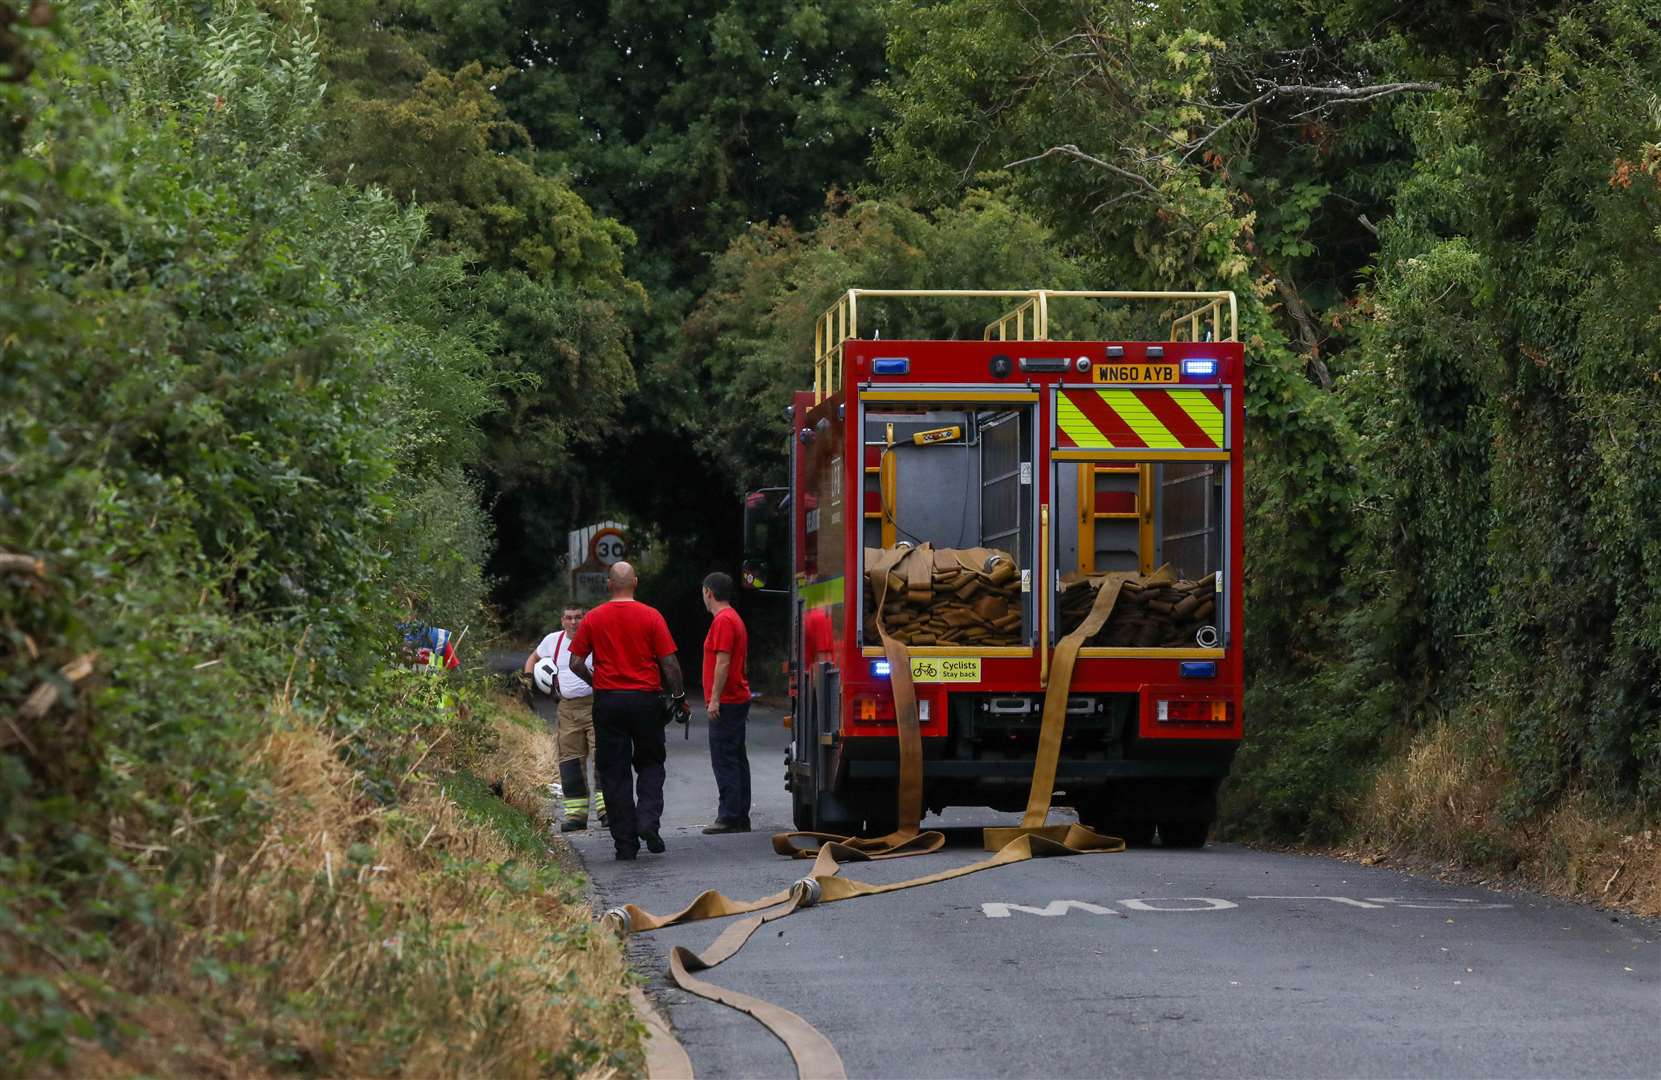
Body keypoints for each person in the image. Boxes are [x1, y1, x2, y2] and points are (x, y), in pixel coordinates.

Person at [568, 562, 688, 860]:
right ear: (634, 582)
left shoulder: (593, 618)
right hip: (646, 701)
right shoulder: (651, 616)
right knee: (650, 763)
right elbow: (670, 664)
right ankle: (647, 821)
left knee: (614, 772)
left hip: (608, 702)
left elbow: (575, 663)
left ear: (609, 584)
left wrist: (597, 682)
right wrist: (679, 696)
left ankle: (625, 843)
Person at [524, 605, 606, 831]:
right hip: (567, 709)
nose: (573, 622)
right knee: (570, 762)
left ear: (585, 619)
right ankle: (576, 816)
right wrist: (527, 680)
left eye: (578, 618)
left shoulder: (596, 639)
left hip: (595, 705)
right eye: (569, 618)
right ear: (562, 621)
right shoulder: (552, 641)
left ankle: (607, 810)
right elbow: (533, 658)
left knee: (603, 758)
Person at [700, 571, 752, 833]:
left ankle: (730, 815)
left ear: (709, 592)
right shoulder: (733, 619)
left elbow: (723, 661)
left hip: (728, 699)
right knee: (736, 756)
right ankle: (740, 814)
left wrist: (715, 700)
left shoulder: (723, 621)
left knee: (724, 757)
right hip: (736, 697)